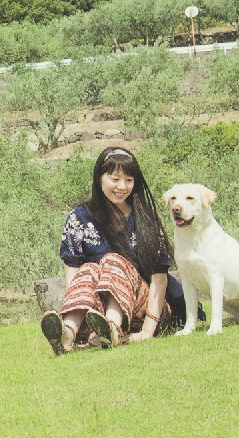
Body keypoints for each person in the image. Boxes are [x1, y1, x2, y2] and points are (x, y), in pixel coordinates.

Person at [39, 146, 188, 354]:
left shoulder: (145, 219)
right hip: (96, 309)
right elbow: (73, 275)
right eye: (114, 179)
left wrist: (147, 331)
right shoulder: (78, 219)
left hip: (145, 308)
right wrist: (85, 320)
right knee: (89, 269)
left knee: (112, 261)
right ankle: (69, 333)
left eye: (128, 180)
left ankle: (112, 327)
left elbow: (159, 278)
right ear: (99, 179)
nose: (122, 186)